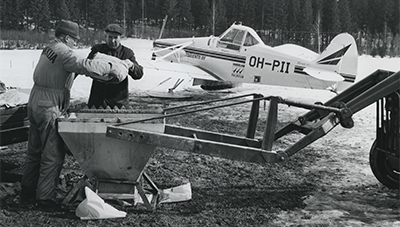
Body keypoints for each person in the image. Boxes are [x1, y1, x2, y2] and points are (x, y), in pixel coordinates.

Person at [20, 20, 133, 208]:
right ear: (66, 38)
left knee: (34, 150)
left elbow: (67, 68)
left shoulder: (50, 48)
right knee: (52, 153)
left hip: (35, 101)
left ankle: (28, 189)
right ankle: (44, 197)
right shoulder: (64, 52)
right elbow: (84, 65)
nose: (75, 44)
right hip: (49, 104)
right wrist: (112, 67)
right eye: (74, 40)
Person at [87, 24, 144, 109]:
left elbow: (139, 74)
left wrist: (131, 66)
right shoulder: (97, 50)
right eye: (110, 37)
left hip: (119, 102)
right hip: (98, 100)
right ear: (105, 37)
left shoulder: (126, 53)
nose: (112, 41)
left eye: (115, 37)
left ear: (120, 38)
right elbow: (86, 66)